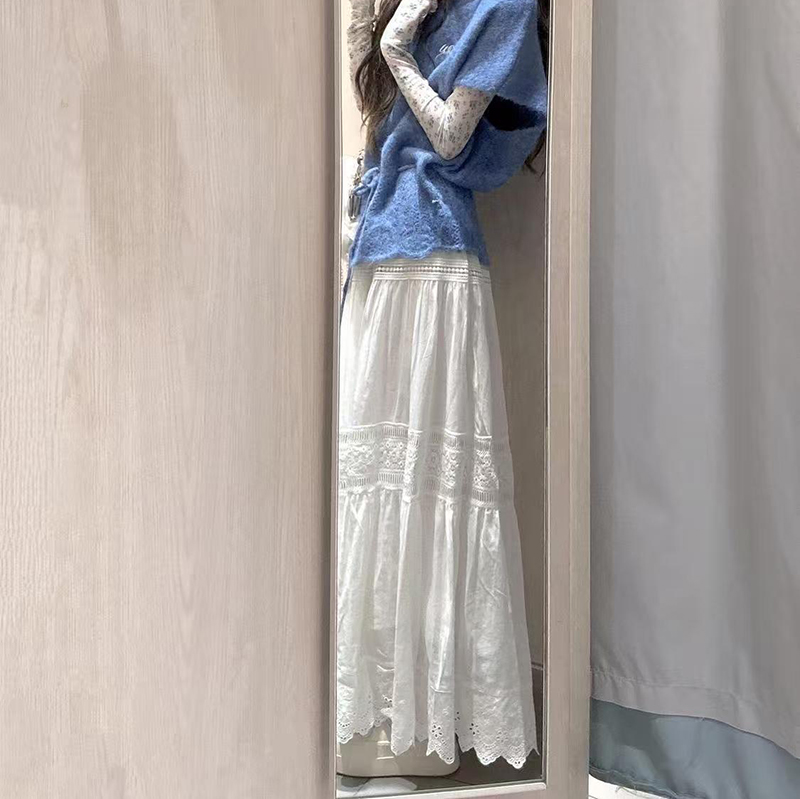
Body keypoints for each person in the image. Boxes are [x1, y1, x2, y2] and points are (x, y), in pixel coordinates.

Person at [337, 0, 548, 770]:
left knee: (428, 484)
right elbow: (383, 139)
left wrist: (397, 48)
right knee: (366, 478)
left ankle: (425, 722)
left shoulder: (501, 7)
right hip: (377, 256)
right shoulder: (416, 7)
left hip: (436, 265)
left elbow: (452, 135)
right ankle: (362, 707)